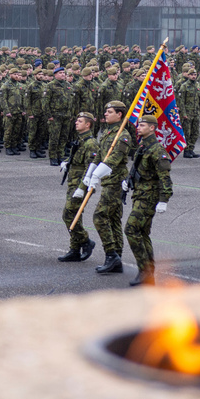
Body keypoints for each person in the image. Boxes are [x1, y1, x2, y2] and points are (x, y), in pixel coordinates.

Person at [124, 113, 173, 286]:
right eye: (139, 125)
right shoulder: (142, 146)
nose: (139, 127)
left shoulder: (157, 150)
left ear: (152, 128)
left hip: (149, 196)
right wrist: (128, 181)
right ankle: (149, 271)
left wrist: (164, 199)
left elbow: (164, 177)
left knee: (130, 229)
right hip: (139, 194)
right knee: (142, 233)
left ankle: (145, 270)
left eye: (143, 125)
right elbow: (137, 167)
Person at [88, 100, 133, 275]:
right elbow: (99, 155)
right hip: (107, 181)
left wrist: (97, 175)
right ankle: (116, 259)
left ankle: (112, 254)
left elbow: (114, 159)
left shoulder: (123, 136)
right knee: (113, 219)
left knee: (99, 217)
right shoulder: (107, 133)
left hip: (115, 182)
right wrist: (89, 175)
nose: (105, 114)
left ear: (119, 115)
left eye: (109, 111)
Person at [59, 112, 98, 262]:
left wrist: (82, 188)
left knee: (68, 214)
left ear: (88, 125)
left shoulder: (91, 143)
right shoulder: (81, 140)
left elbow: (91, 168)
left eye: (80, 121)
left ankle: (86, 241)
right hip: (73, 183)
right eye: (76, 120)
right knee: (75, 216)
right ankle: (74, 250)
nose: (76, 122)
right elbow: (76, 157)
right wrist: (67, 161)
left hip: (81, 185)